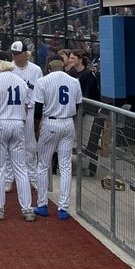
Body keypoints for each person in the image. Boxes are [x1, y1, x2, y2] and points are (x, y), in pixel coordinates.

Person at [0, 50, 36, 222]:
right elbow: (27, 106)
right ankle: (27, 209)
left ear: (1, 63)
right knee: (20, 168)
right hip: (18, 123)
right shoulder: (21, 82)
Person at [32, 59, 82, 220]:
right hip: (68, 122)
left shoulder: (43, 81)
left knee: (43, 165)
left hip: (50, 121)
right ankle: (63, 208)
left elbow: (38, 109)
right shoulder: (74, 81)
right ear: (64, 67)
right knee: (65, 167)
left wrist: (36, 129)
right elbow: (78, 105)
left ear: (48, 67)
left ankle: (42, 205)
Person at [10, 41, 42, 188]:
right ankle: (8, 179)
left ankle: (32, 178)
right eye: (13, 53)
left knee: (30, 146)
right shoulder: (9, 68)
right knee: (10, 146)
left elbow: (39, 93)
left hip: (29, 110)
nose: (15, 56)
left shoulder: (36, 70)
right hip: (13, 112)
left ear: (25, 53)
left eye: (17, 53)